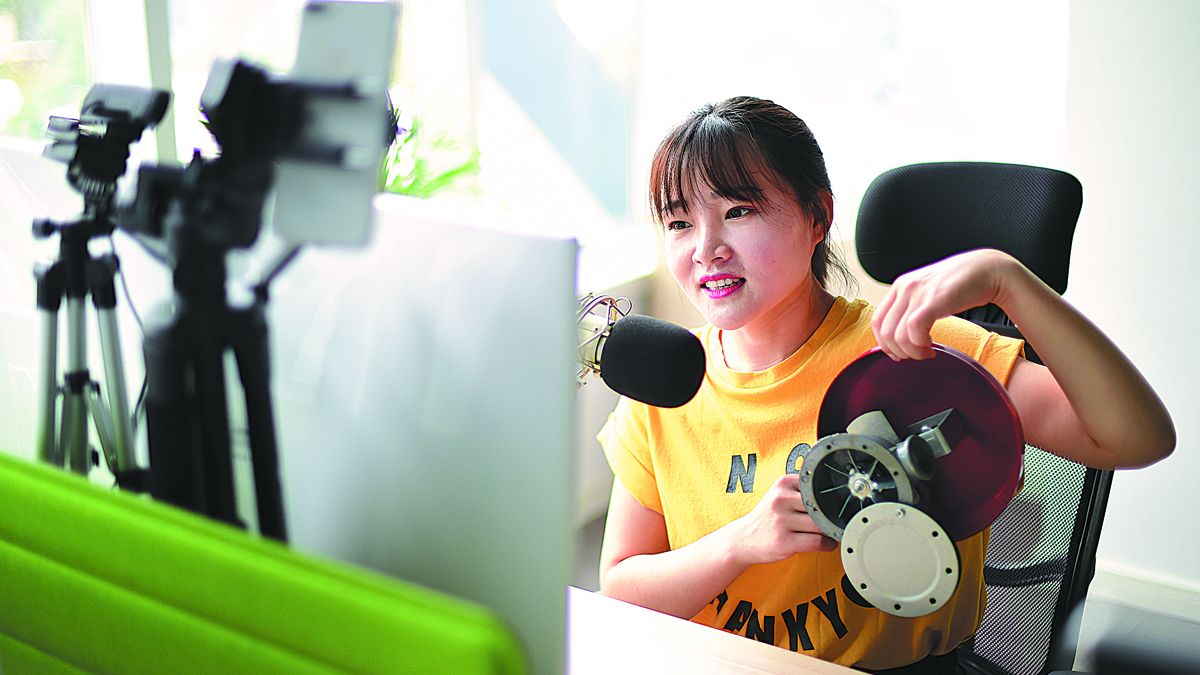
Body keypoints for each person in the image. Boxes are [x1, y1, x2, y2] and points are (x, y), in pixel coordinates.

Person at [595, 96, 1175, 673]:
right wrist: (739, 544)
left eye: (738, 211)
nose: (705, 249)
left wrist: (1009, 283)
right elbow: (621, 589)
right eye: (678, 222)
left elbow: (1138, 439)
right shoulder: (666, 377)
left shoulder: (916, 352)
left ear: (816, 217)